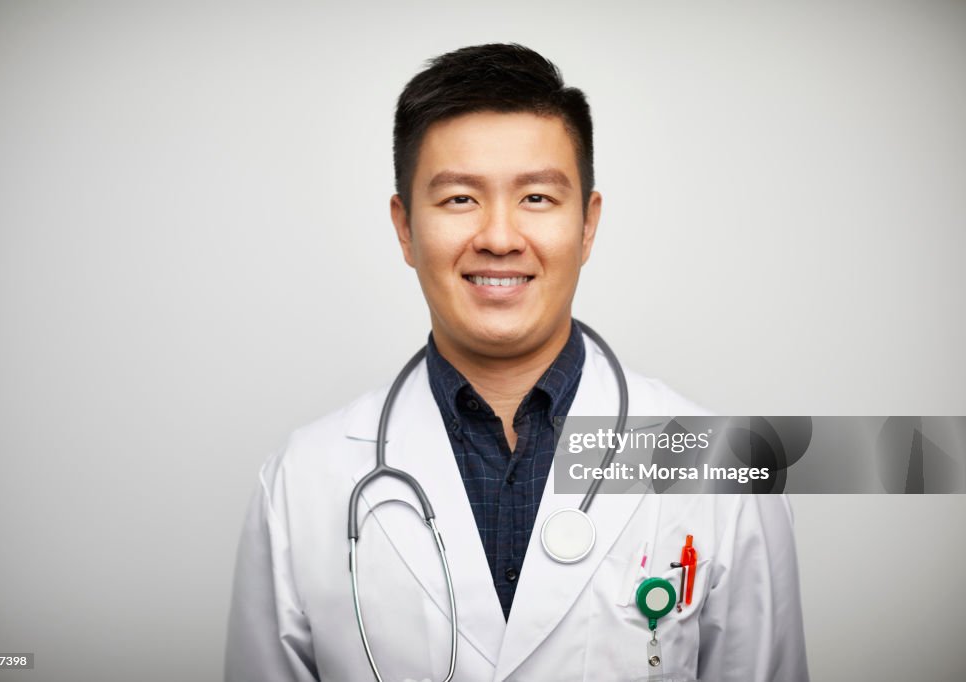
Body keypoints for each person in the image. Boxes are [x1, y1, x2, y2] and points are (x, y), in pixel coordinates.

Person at [225, 43, 808, 681]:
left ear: (587, 227)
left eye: (536, 198)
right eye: (458, 200)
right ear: (404, 229)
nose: (500, 238)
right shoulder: (301, 482)